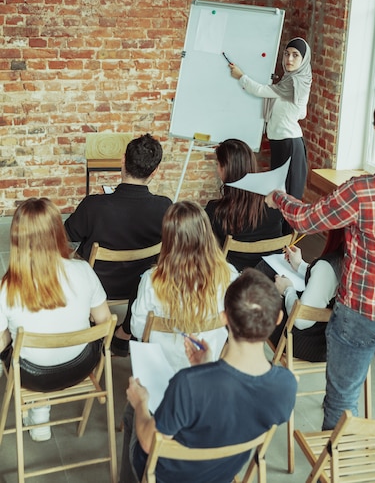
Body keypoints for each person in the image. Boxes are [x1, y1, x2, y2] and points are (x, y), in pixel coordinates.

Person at [266, 89, 375, 457]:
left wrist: (278, 198)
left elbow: (306, 218)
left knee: (341, 402)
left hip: (360, 314)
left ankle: (330, 474)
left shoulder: (363, 191)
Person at [120, 268, 298, 483]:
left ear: (224, 317)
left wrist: (141, 403)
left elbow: (149, 442)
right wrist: (205, 366)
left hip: (167, 475)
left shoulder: (188, 383)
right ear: (278, 318)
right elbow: (233, 409)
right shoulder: (286, 385)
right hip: (222, 473)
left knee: (132, 411)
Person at [0, 198, 111, 442]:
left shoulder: (7, 287)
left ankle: (39, 409)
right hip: (82, 366)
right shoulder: (83, 271)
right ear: (57, 231)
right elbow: (104, 322)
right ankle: (40, 407)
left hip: (32, 374)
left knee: (11, 342)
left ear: (17, 239)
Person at [64, 133, 172, 356]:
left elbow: (66, 235)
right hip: (140, 286)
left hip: (97, 285)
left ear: (123, 160)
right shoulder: (164, 208)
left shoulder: (93, 205)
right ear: (155, 171)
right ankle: (125, 333)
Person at [130, 200, 238, 372]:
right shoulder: (230, 275)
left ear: (168, 237)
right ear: (207, 234)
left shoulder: (152, 280)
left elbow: (137, 328)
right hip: (209, 365)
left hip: (161, 369)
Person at [228, 37, 312, 201]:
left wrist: (241, 77)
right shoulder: (292, 80)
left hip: (289, 145)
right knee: (279, 198)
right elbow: (302, 114)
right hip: (282, 142)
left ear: (304, 59)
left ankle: (286, 228)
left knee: (288, 200)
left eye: (295, 55)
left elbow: (261, 90)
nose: (289, 59)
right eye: (287, 54)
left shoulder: (295, 82)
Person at [205, 138, 284, 271]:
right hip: (271, 276)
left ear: (226, 169)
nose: (217, 169)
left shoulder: (216, 211)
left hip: (235, 278)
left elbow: (208, 250)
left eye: (218, 164)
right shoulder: (275, 205)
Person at [267, 229, 343, 361]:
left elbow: (301, 321)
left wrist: (287, 289)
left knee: (259, 296)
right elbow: (325, 284)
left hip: (308, 343)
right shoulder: (353, 261)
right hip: (334, 341)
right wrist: (300, 265)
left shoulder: (327, 266)